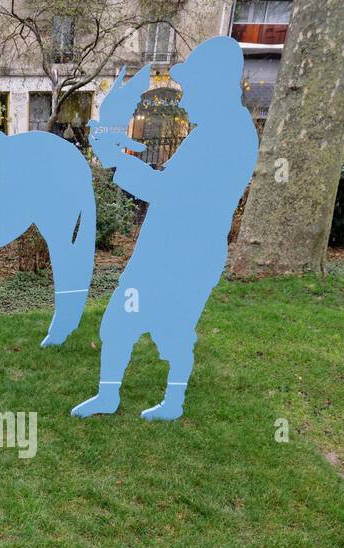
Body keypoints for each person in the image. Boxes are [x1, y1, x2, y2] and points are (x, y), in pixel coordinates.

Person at [73, 36, 257, 421]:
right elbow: (171, 184)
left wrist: (113, 158)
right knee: (120, 320)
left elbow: (167, 191)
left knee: (173, 329)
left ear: (215, 84)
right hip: (166, 250)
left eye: (191, 88)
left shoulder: (228, 135)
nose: (185, 99)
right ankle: (109, 397)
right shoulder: (215, 130)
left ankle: (173, 403)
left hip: (186, 255)